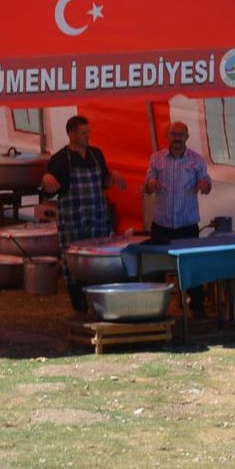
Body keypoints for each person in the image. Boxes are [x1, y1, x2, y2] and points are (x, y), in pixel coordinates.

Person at [42, 115, 127, 312]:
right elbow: (48, 189)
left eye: (88, 132)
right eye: (83, 133)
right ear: (71, 134)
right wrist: (46, 178)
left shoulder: (96, 154)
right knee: (74, 264)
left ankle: (99, 306)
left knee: (98, 263)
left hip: (97, 218)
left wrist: (112, 175)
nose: (88, 136)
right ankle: (79, 308)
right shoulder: (59, 159)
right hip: (73, 221)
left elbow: (104, 183)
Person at [144, 121, 213, 318]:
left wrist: (204, 185)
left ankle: (197, 307)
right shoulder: (156, 159)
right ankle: (154, 309)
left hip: (187, 223)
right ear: (167, 136)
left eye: (181, 135)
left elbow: (207, 182)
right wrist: (151, 184)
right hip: (162, 223)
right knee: (157, 267)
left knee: (192, 266)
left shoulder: (197, 160)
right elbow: (147, 184)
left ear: (187, 137)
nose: (177, 138)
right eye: (173, 134)